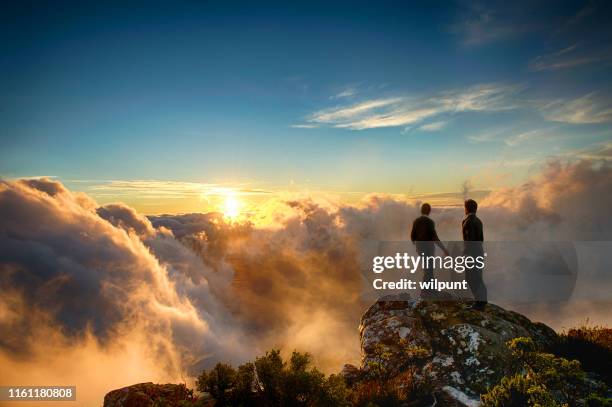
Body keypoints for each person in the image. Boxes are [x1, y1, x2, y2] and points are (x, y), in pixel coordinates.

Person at [411, 203, 449, 291]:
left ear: (421, 211)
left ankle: (428, 290)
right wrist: (444, 249)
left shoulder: (416, 221)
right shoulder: (430, 222)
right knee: (429, 270)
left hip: (420, 249)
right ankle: (427, 291)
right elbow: (435, 238)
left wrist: (418, 246)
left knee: (427, 269)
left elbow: (412, 237)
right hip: (429, 249)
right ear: (429, 211)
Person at [462, 199, 488, 310]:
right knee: (477, 277)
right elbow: (481, 239)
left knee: (471, 277)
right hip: (478, 252)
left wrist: (466, 253)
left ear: (466, 208)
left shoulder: (468, 221)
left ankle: (480, 303)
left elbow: (470, 240)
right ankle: (481, 301)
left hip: (471, 253)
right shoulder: (478, 220)